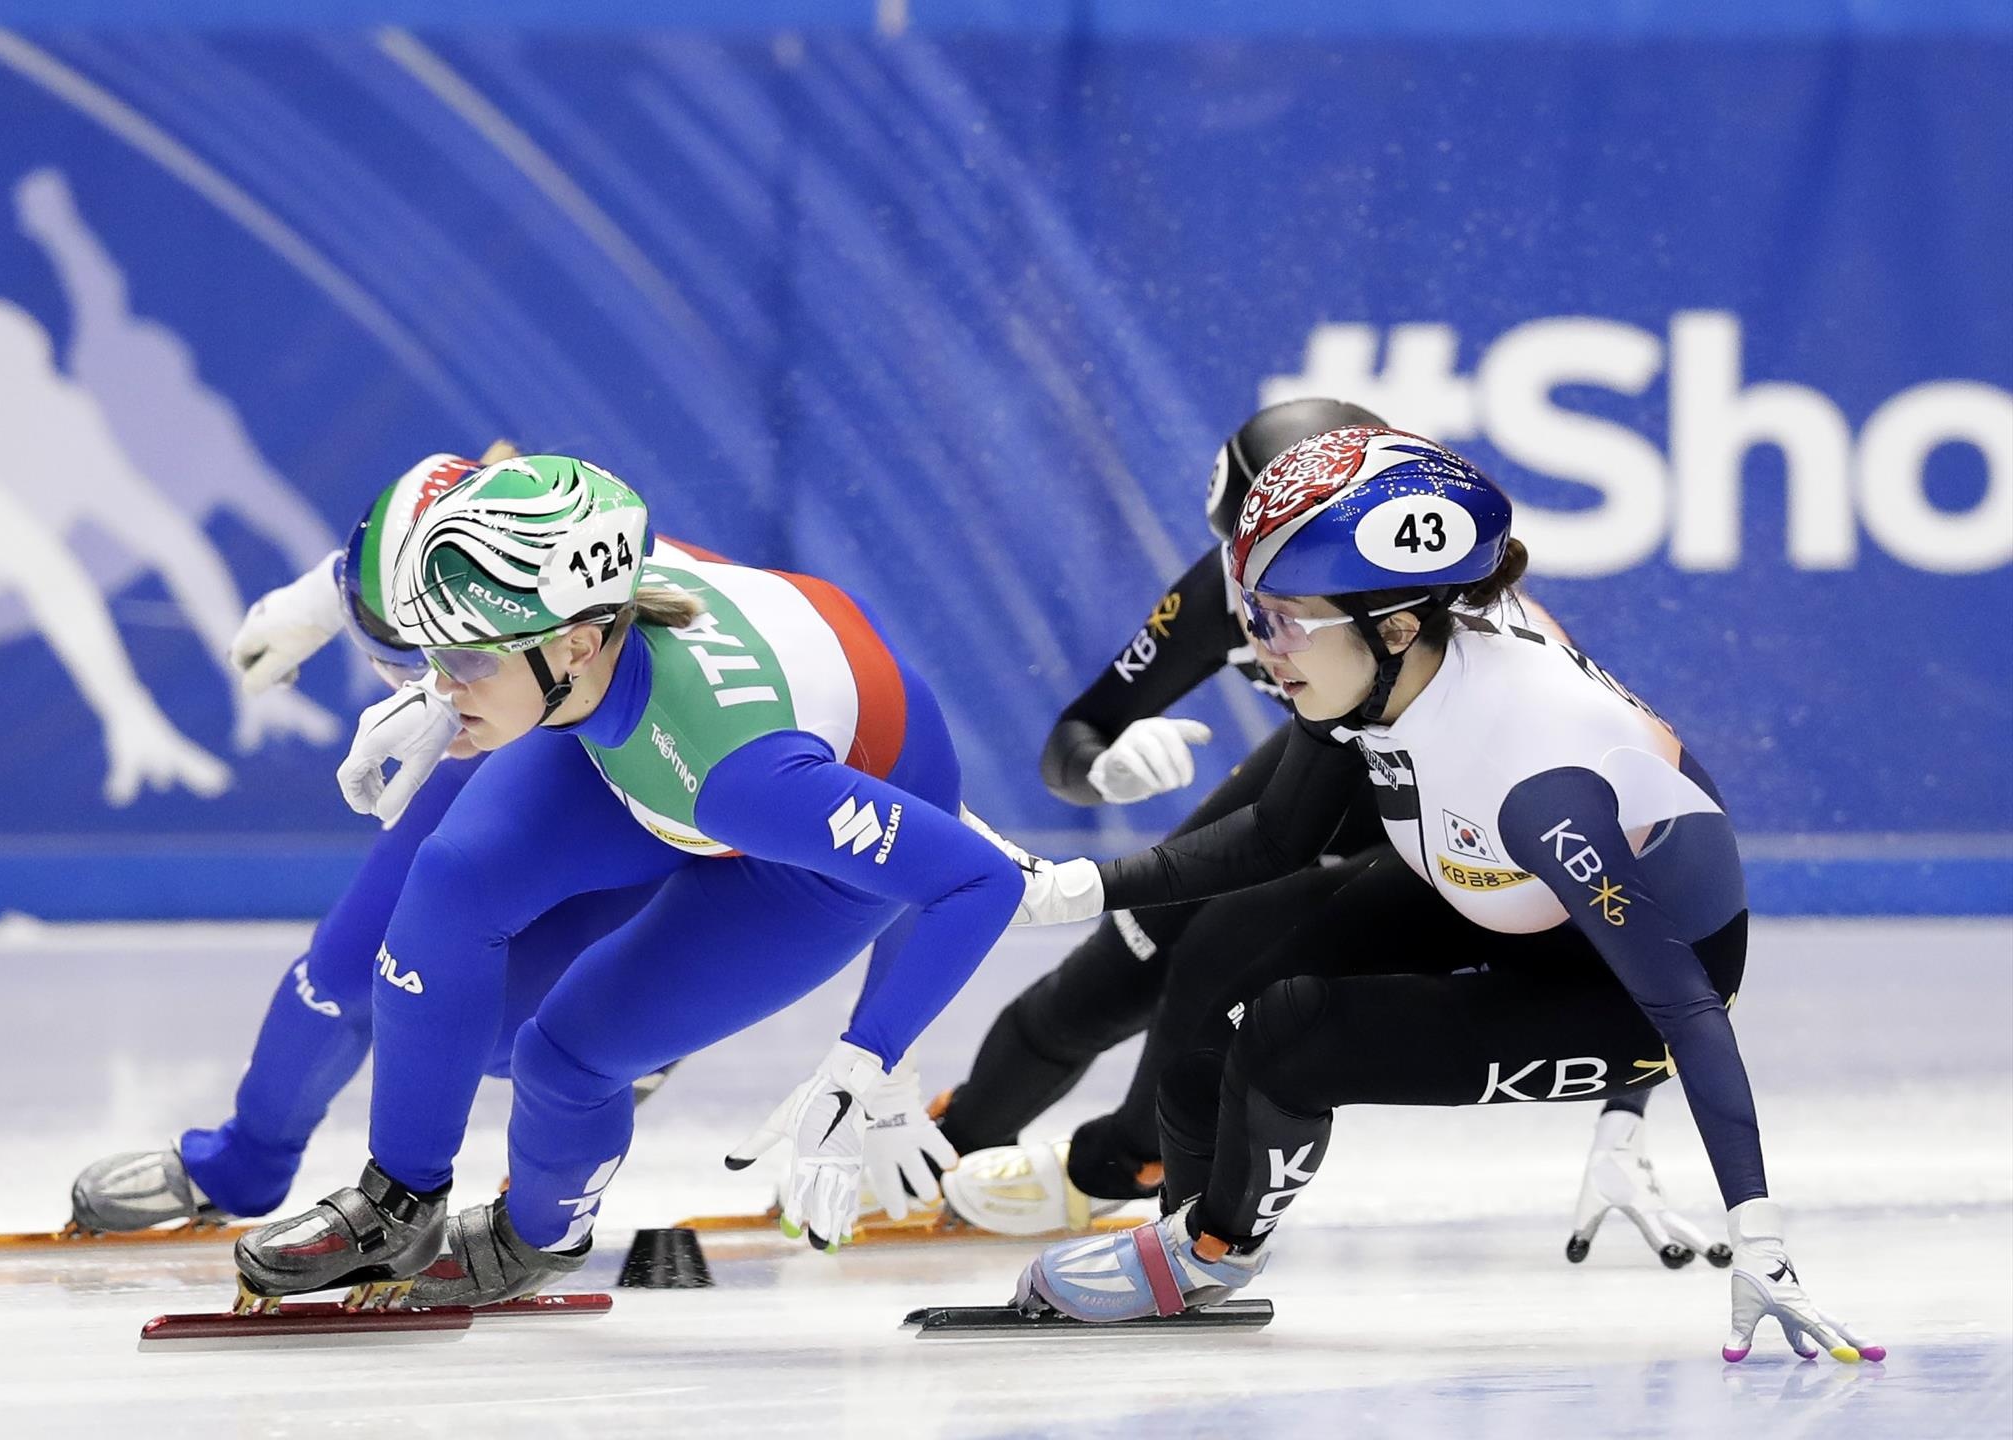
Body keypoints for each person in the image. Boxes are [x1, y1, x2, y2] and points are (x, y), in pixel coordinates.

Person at [985, 427, 1879, 1364]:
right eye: (1252, 613)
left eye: (1282, 619)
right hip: (1489, 888)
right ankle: (1189, 1226)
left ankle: (1212, 1254)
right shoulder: (1368, 677)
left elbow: (1687, 1007)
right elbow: (1275, 839)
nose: (1260, 647)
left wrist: (1762, 1238)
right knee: (1210, 1016)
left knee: (1290, 1034)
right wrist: (1073, 886)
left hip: (1623, 991)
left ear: (1395, 627)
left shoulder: (1538, 785)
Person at [939, 400, 1721, 1271]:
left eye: (1298, 581)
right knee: (1132, 961)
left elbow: (1624, 878)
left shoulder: (1469, 642)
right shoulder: (1221, 590)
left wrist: (1626, 1109)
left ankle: (1128, 1165)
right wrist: (1102, 772)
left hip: (1433, 823)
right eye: (1252, 580)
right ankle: (961, 1145)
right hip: (1322, 760)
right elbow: (1078, 734)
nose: (1266, 606)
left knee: (1247, 963)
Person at [228, 454, 1020, 1309]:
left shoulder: (735, 775)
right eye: (430, 655)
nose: (441, 682)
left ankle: (537, 1237)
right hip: (635, 735)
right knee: (451, 881)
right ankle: (398, 1204)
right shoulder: (564, 590)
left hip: (793, 837)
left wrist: (868, 1060)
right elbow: (457, 479)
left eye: (462, 662)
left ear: (574, 642)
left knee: (561, 1056)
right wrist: (353, 630)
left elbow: (979, 882)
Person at [69, 450, 678, 1231]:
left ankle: (637, 1041)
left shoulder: (603, 575)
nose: (416, 682)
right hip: (523, 728)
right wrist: (326, 595)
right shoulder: (486, 514)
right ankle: (247, 1160)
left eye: (441, 654)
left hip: (624, 767)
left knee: (520, 1031)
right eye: (389, 651)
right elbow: (444, 504)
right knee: (344, 974)